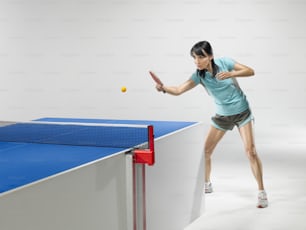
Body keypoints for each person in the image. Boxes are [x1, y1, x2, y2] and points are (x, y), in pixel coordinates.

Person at [150, 40, 268, 208]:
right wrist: (163, 88)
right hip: (222, 116)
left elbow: (251, 71)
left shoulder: (225, 63)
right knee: (205, 151)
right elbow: (178, 90)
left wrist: (231, 74)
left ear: (210, 56)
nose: (197, 61)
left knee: (251, 152)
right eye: (194, 58)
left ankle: (262, 192)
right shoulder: (199, 75)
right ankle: (207, 184)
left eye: (200, 57)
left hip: (242, 113)